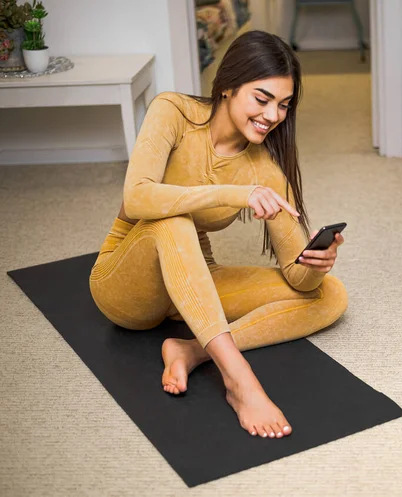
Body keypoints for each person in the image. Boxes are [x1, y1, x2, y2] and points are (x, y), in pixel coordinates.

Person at [89, 30, 348, 440]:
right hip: (124, 283)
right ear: (227, 86)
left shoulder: (263, 167)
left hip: (190, 286)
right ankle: (239, 380)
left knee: (330, 294)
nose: (272, 115)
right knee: (172, 219)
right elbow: (136, 198)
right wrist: (239, 194)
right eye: (262, 99)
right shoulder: (173, 111)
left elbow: (296, 276)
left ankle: (192, 350)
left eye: (283, 105)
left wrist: (316, 263)